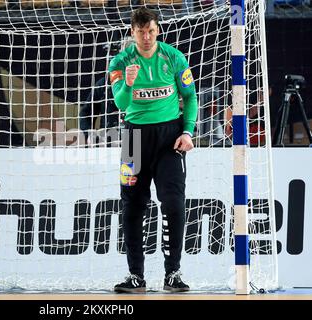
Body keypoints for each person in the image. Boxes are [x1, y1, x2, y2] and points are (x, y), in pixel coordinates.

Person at [109, 7, 198, 293]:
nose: (146, 37)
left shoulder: (173, 57)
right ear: (132, 33)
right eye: (140, 32)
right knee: (132, 206)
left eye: (151, 31)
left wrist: (188, 131)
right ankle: (136, 276)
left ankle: (173, 273)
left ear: (157, 30)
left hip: (170, 138)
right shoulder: (120, 63)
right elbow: (121, 104)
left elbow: (190, 96)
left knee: (173, 203)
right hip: (134, 139)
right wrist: (129, 84)